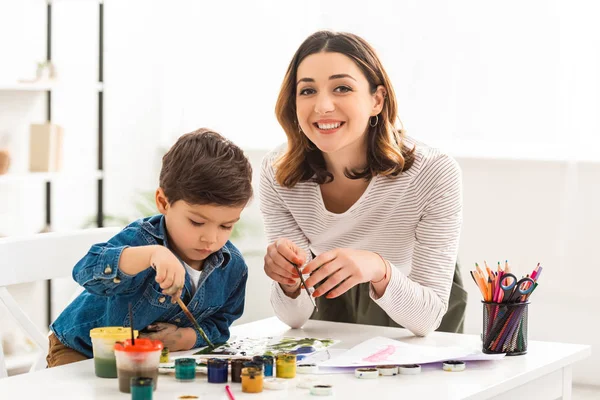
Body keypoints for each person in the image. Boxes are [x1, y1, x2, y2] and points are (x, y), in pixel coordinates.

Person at [260, 31, 467, 337]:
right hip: (334, 291)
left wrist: (377, 268)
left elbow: (427, 318)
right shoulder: (278, 174)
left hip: (412, 293)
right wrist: (289, 284)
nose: (322, 106)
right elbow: (294, 319)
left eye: (341, 88)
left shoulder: (434, 171)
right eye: (307, 91)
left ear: (377, 100)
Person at [47, 128, 253, 366]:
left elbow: (220, 324)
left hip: (149, 360)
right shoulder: (141, 241)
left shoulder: (232, 267)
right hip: (83, 352)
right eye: (197, 222)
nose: (211, 239)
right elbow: (86, 270)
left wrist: (184, 338)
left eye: (226, 226)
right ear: (163, 202)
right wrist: (152, 255)